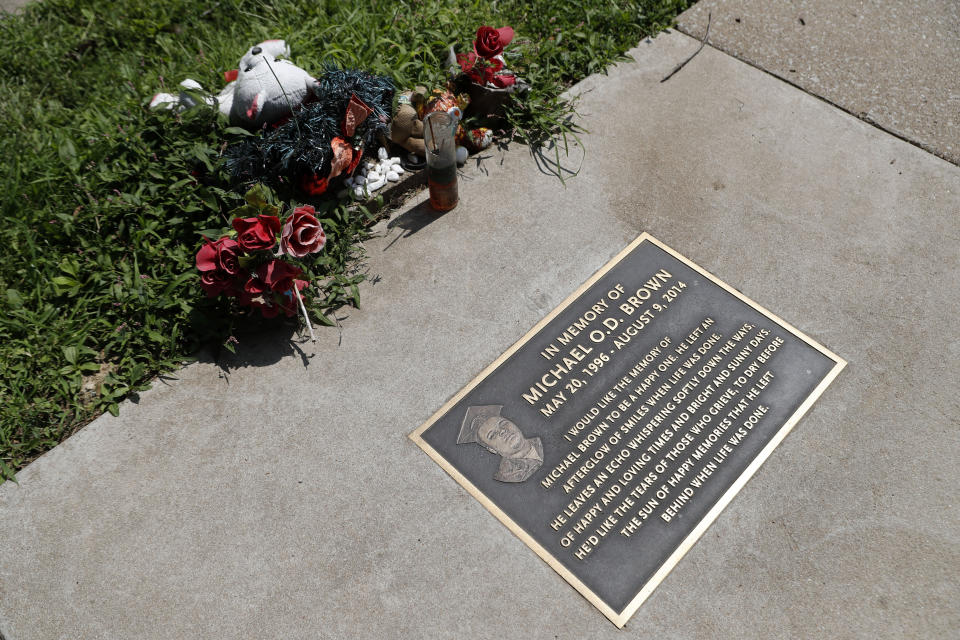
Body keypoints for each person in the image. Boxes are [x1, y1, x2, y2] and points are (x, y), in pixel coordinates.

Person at [457, 405, 543, 483]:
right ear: (492, 449)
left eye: (503, 423)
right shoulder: (508, 476)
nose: (502, 431)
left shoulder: (541, 440)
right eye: (492, 435)